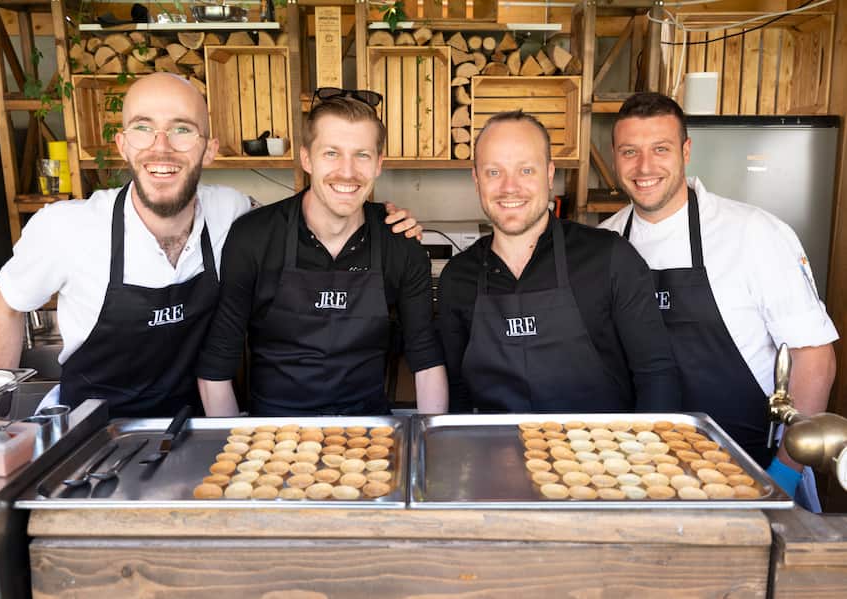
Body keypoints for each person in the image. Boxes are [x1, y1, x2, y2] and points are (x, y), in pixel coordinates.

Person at [0, 73, 420, 419]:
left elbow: (315, 213)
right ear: (122, 144)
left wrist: (383, 219)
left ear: (209, 149)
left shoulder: (232, 213)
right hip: (92, 430)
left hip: (191, 426)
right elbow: (4, 306)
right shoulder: (68, 228)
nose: (161, 147)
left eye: (182, 130)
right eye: (143, 129)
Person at [600, 92, 838, 499]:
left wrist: (784, 471)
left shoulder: (753, 233)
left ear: (686, 151)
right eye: (629, 151)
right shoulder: (603, 241)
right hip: (637, 472)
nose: (644, 167)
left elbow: (815, 356)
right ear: (615, 157)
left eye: (661, 149)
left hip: (750, 470)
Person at [196, 93, 448, 416]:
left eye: (362, 155)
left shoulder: (401, 244)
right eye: (331, 153)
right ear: (306, 159)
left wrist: (433, 445)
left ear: (379, 164)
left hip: (369, 435)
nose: (347, 172)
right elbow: (215, 370)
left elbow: (426, 361)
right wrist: (235, 456)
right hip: (273, 435)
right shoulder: (254, 238)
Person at [437, 110, 681, 414]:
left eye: (526, 170)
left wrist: (644, 456)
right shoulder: (457, 278)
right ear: (476, 180)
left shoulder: (609, 258)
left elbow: (656, 373)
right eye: (493, 172)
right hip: (495, 456)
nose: (509, 187)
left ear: (550, 175)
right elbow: (458, 391)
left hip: (600, 456)